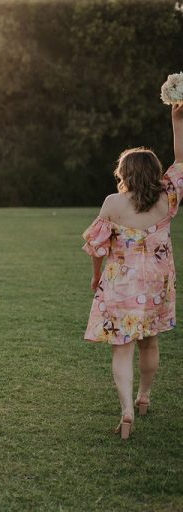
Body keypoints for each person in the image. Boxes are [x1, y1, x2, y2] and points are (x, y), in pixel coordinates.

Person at [82, 105, 183, 439]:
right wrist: (176, 121)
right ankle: (144, 397)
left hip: (120, 285)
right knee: (150, 344)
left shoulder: (113, 203)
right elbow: (181, 161)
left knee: (122, 348)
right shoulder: (167, 198)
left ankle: (126, 411)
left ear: (123, 172)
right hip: (157, 283)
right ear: (155, 171)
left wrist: (96, 277)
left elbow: (97, 248)